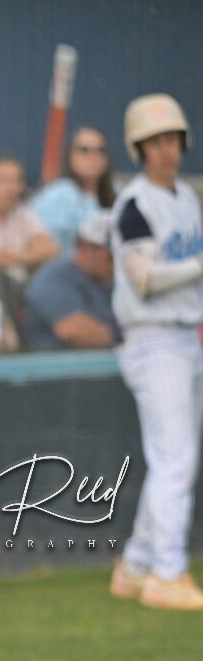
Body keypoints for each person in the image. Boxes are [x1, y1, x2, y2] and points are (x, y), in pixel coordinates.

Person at [109, 94, 203, 611]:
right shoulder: (135, 204)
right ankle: (167, 573)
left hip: (186, 333)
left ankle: (137, 566)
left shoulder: (186, 197)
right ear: (139, 148)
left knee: (174, 457)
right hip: (152, 336)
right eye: (155, 141)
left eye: (172, 139)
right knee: (175, 458)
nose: (166, 149)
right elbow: (143, 278)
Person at [0, 156, 59, 352]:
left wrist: (15, 257)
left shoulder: (23, 212)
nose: (10, 188)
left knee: (51, 274)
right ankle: (10, 336)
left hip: (23, 285)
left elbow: (52, 249)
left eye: (15, 181)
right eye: (3, 180)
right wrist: (30, 253)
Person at [24, 211, 118, 350]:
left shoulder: (112, 283)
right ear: (85, 249)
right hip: (50, 362)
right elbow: (72, 331)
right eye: (112, 256)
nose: (118, 263)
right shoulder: (56, 277)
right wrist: (127, 337)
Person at [31, 127, 115, 257]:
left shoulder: (115, 196)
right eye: (84, 150)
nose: (93, 157)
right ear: (69, 156)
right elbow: (42, 246)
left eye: (100, 150)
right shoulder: (58, 194)